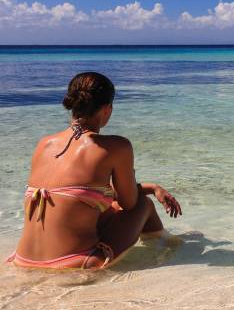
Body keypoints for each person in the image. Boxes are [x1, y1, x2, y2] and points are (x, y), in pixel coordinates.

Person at [5, 72, 182, 270]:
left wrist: (151, 186)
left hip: (23, 260)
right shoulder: (116, 146)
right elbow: (129, 203)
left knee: (104, 209)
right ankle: (170, 247)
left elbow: (75, 194)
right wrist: (148, 190)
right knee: (144, 204)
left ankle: (163, 245)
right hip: (75, 264)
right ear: (107, 109)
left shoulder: (44, 144)